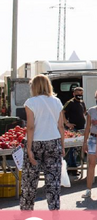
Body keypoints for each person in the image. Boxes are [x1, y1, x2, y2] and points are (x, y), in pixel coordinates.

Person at [21, 75, 66, 211]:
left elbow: (30, 127)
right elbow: (61, 126)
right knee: (53, 181)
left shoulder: (31, 102)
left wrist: (28, 149)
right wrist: (62, 146)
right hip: (53, 142)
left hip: (35, 143)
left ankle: (26, 213)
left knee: (30, 182)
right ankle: (54, 212)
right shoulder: (57, 101)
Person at [81, 89, 97, 198]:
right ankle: (88, 189)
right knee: (91, 164)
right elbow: (87, 127)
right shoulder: (91, 110)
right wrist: (85, 142)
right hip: (93, 138)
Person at [62, 86, 86, 175]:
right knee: (72, 148)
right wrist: (67, 123)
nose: (79, 95)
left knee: (77, 149)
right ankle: (72, 168)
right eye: (77, 94)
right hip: (73, 128)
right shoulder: (70, 103)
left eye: (81, 94)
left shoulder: (82, 102)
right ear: (74, 94)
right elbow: (62, 112)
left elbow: (84, 112)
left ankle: (74, 166)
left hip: (81, 128)